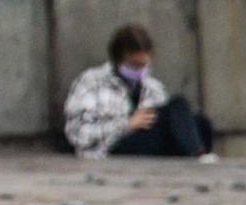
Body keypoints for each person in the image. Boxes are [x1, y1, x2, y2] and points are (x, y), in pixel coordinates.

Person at [63, 23, 216, 160]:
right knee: (178, 103)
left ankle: (196, 154)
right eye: (135, 65)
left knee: (199, 123)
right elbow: (78, 134)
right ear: (119, 60)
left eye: (144, 65)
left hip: (148, 145)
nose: (140, 71)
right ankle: (198, 155)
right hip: (112, 148)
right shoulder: (92, 81)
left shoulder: (152, 86)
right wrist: (127, 125)